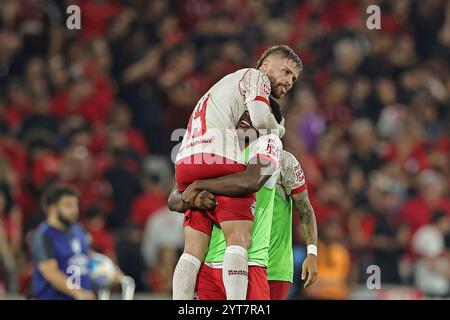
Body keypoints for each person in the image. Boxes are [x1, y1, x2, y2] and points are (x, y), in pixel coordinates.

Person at [173, 44, 302, 300]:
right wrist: (279, 129)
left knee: (190, 252)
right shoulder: (255, 81)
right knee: (238, 242)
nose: (289, 82)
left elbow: (175, 198)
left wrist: (197, 188)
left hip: (186, 156)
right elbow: (250, 178)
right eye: (286, 71)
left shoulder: (221, 100)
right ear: (265, 66)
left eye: (294, 78)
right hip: (237, 266)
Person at [170, 108, 318, 300]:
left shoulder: (284, 162)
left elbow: (305, 209)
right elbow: (175, 198)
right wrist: (195, 197)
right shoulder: (217, 154)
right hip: (219, 260)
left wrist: (312, 252)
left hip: (271, 266)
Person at [30, 185, 124, 300]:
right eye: (68, 205)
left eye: (76, 205)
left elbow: (88, 255)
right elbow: (50, 271)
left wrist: (110, 270)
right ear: (52, 208)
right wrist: (77, 292)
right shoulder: (44, 235)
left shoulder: (79, 230)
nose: (75, 210)